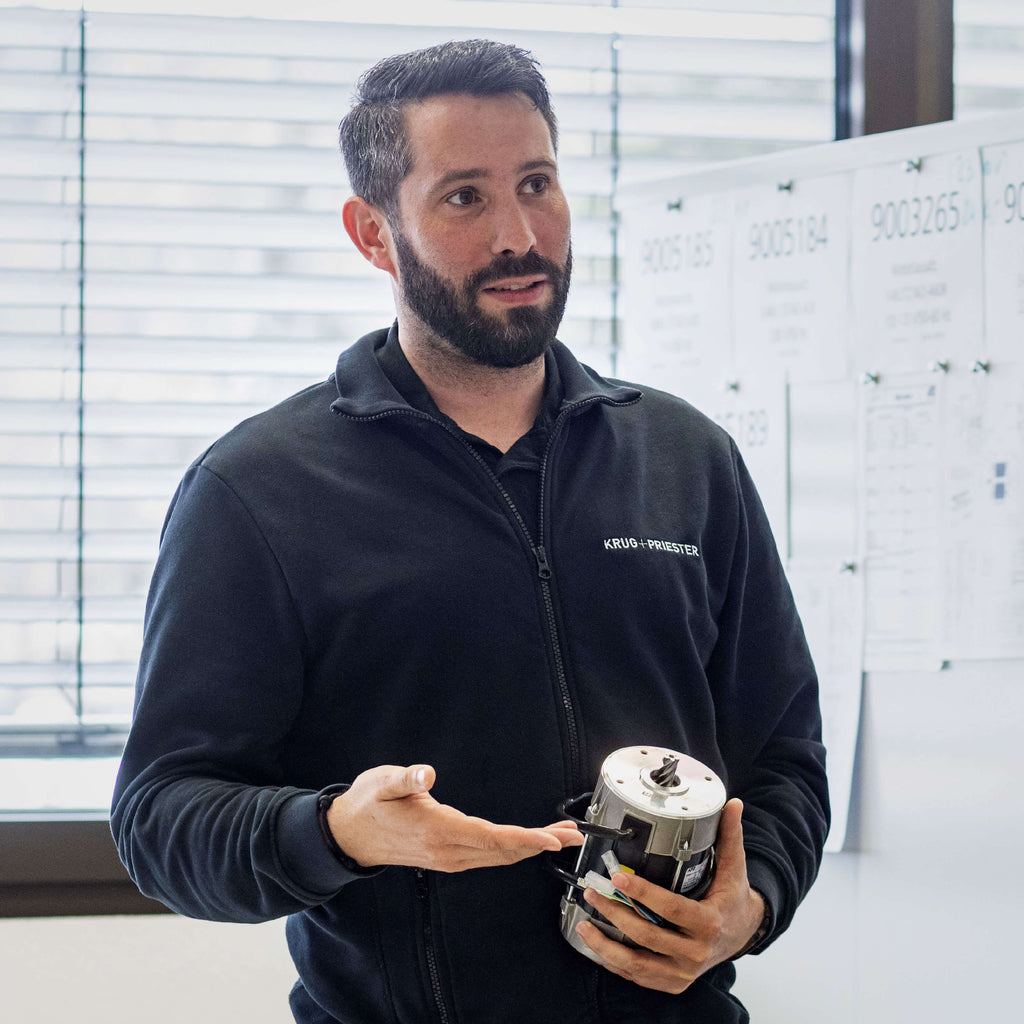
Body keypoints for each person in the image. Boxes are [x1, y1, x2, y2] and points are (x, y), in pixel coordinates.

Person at [111, 38, 829, 1024]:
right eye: (464, 198)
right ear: (373, 233)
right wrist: (337, 830)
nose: (519, 235)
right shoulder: (258, 490)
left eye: (537, 183)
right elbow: (160, 820)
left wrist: (748, 909)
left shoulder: (684, 457)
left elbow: (782, 760)